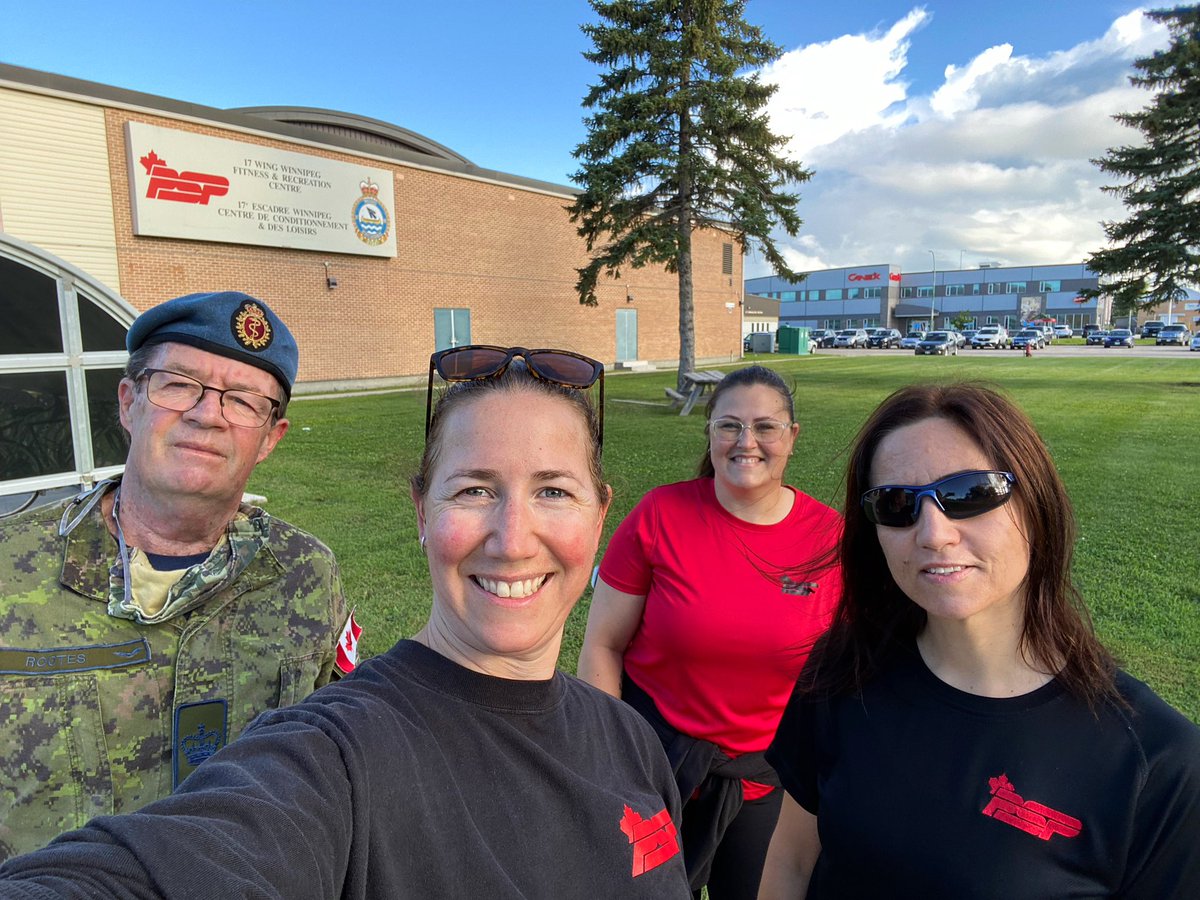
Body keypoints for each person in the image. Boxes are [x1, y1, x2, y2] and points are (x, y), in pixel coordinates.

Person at [0, 344, 691, 898]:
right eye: (474, 489)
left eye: (553, 490)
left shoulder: (631, 741)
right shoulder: (337, 758)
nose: (513, 538)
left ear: (600, 517)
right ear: (422, 513)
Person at [759, 383, 1200, 899]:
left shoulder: (1157, 761)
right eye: (898, 504)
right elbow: (791, 862)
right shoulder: (842, 669)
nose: (933, 534)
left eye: (970, 494)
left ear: (1036, 503)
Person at [0, 291, 354, 862]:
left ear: (270, 438)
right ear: (128, 402)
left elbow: (336, 756)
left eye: (243, 400)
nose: (206, 413)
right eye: (178, 383)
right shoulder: (8, 569)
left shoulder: (306, 574)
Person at [579, 365, 843, 899]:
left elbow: (848, 674)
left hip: (767, 777)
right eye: (729, 426)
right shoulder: (661, 514)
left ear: (792, 437)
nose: (747, 442)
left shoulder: (831, 540)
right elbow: (603, 644)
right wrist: (612, 762)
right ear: (710, 434)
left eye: (765, 427)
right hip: (653, 762)